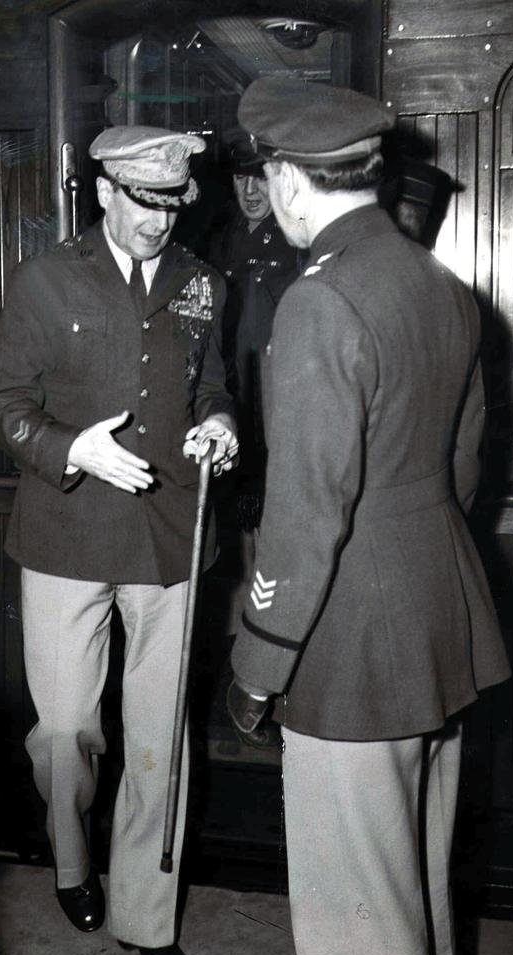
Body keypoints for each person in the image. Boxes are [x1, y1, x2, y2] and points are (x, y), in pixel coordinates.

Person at [226, 78, 510, 955]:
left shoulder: (322, 301)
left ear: (286, 180)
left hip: (353, 638)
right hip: (440, 612)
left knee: (358, 913)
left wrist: (259, 665)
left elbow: (310, 512)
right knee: (416, 884)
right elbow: (462, 468)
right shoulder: (442, 286)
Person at [0, 125, 237, 955]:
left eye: (172, 204)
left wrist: (221, 424)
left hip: (169, 538)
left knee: (161, 740)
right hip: (64, 536)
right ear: (104, 192)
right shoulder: (46, 279)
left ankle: (147, 913)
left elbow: (212, 383)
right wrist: (68, 449)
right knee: (64, 734)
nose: (158, 222)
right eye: (142, 202)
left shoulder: (206, 285)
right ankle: (69, 860)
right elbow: (2, 404)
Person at [209, 138, 299, 626]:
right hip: (223, 403)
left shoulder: (294, 242)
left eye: (260, 178)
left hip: (274, 409)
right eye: (241, 179)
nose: (250, 190)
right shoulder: (218, 239)